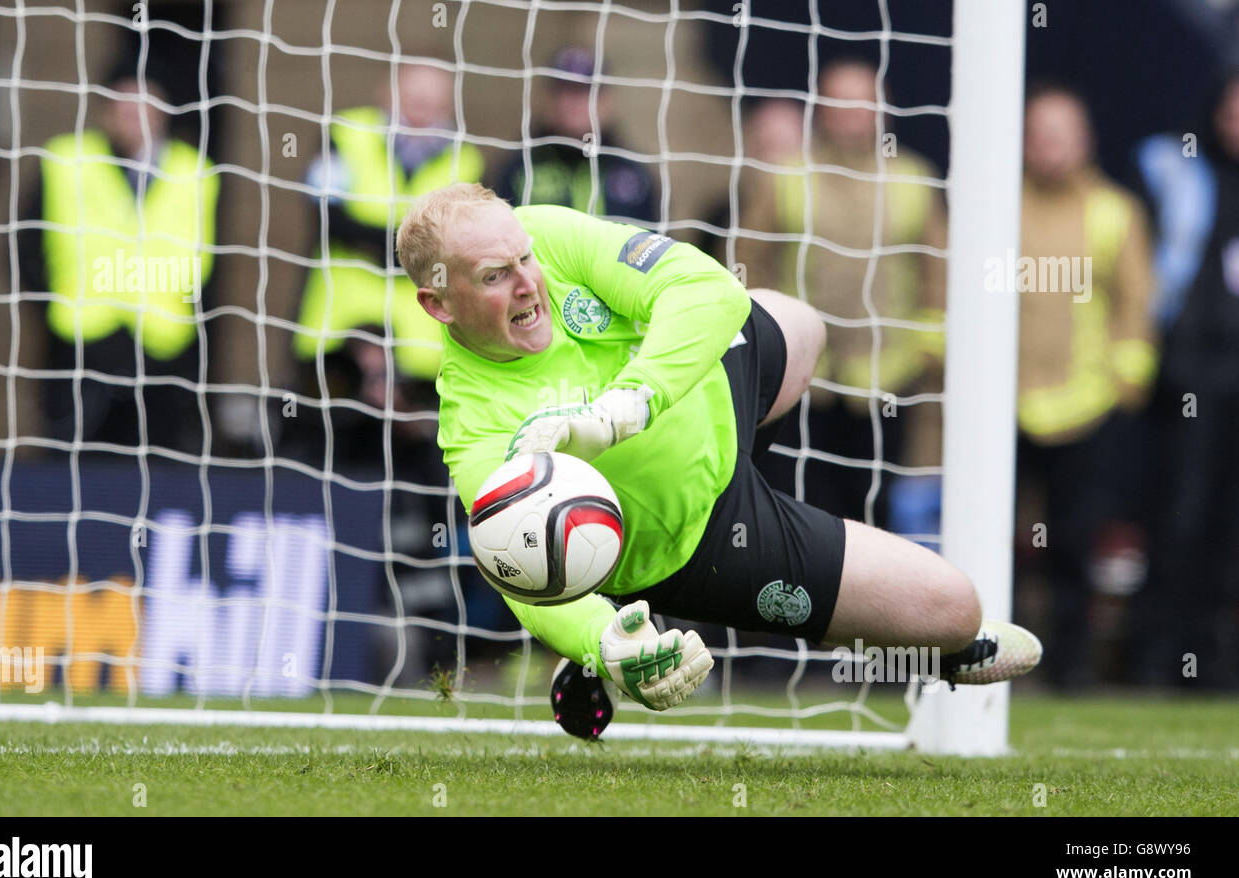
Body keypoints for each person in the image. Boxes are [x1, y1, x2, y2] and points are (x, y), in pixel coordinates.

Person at [395, 182, 1041, 730]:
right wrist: (606, 641)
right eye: (494, 276)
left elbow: (708, 290)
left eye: (524, 259)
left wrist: (628, 405)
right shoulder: (473, 423)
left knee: (800, 322)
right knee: (954, 612)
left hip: (710, 396)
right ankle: (624, 632)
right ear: (438, 304)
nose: (528, 282)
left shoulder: (548, 234)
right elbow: (524, 571)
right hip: (695, 542)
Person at [735, 60, 947, 533]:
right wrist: (764, 345)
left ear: (882, 110)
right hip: (802, 375)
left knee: (875, 504)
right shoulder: (786, 177)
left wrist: (927, 348)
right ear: (820, 109)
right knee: (798, 501)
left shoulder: (915, 180)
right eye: (839, 101)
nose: (850, 113)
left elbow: (938, 271)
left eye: (862, 102)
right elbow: (747, 258)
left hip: (888, 375)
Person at [1015, 84, 1158, 689]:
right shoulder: (995, 205)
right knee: (992, 538)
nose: (1049, 148)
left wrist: (1130, 375)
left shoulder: (1114, 212)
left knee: (1075, 543)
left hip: (1086, 403)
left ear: (1085, 140)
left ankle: (1069, 668)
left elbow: (1136, 301)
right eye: (1038, 135)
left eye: (1061, 135)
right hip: (1005, 404)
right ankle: (984, 656)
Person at [287, 62, 483, 469]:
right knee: (322, 461)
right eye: (412, 96)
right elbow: (326, 214)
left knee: (417, 472)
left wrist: (377, 240)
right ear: (387, 91)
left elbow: (462, 245)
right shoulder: (345, 133)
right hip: (336, 331)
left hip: (420, 346)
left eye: (431, 100)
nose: (421, 109)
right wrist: (411, 245)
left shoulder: (466, 162)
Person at [20, 68, 219, 454]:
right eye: (124, 106)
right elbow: (26, 248)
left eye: (144, 106)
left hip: (164, 348)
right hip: (80, 344)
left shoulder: (195, 170)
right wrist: (51, 310)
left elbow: (213, 263)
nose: (134, 117)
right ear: (105, 111)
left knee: (158, 469)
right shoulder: (66, 160)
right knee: (69, 466)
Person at [1127, 67, 1239, 690]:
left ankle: (1214, 667)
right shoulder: (1176, 169)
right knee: (1178, 518)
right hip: (1190, 379)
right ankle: (1153, 661)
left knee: (1229, 531)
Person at [495, 46, 657, 224]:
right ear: (548, 99)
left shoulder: (634, 174)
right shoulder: (519, 168)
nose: (574, 104)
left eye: (585, 92)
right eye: (565, 91)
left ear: (607, 99)